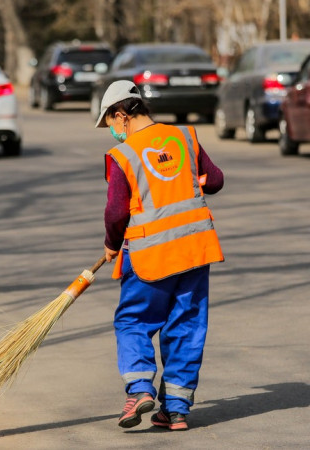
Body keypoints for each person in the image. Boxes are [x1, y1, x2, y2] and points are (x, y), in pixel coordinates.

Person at [96, 80, 225, 431]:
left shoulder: (123, 155)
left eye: (110, 123)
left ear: (121, 116)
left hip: (151, 256)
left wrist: (111, 243)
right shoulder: (184, 136)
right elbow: (214, 181)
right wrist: (192, 178)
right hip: (195, 252)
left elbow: (115, 212)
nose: (112, 132)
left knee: (133, 321)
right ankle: (177, 409)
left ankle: (139, 390)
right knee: (186, 326)